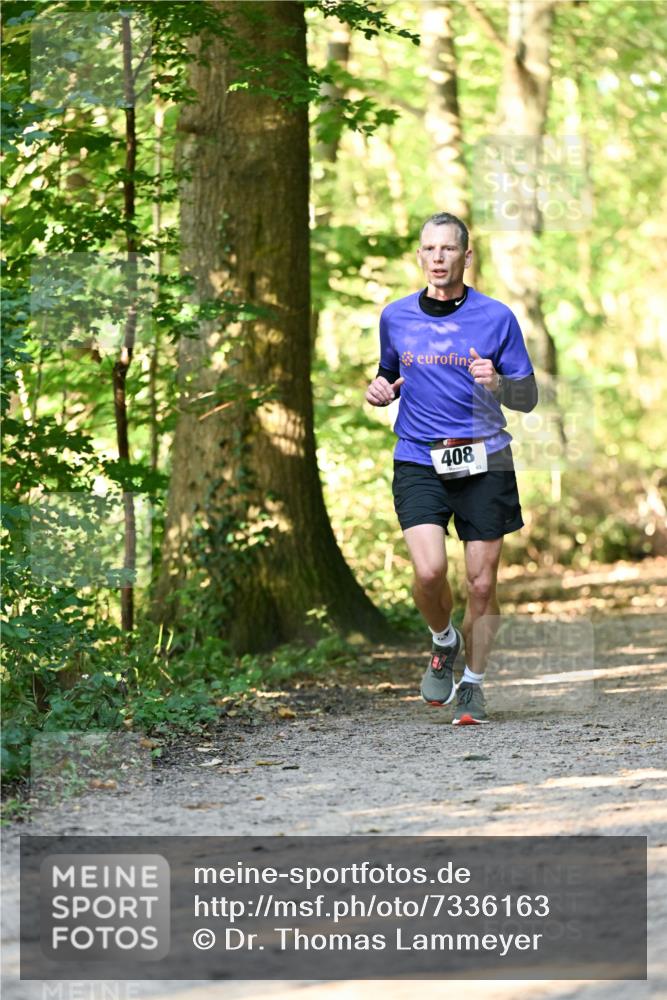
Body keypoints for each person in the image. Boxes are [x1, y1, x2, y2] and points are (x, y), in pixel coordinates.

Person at [365, 212, 537, 725]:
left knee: (482, 585)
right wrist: (378, 390)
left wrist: (499, 384)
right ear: (420, 256)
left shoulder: (497, 317)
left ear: (466, 255)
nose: (437, 258)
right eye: (428, 249)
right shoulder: (396, 316)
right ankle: (444, 640)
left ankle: (474, 685)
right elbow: (389, 373)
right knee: (429, 571)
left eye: (447, 249)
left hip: (485, 458)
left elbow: (527, 397)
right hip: (419, 456)